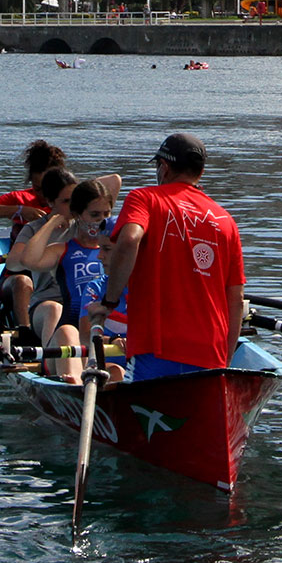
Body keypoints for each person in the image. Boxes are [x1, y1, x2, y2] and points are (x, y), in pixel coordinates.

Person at [83, 133, 244, 381]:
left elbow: (128, 240)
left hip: (156, 348)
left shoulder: (145, 199)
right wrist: (226, 361)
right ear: (200, 172)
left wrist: (109, 302)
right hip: (211, 353)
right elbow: (236, 299)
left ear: (164, 168)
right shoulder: (226, 221)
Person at [21, 175, 127, 383]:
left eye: (106, 214)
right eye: (94, 215)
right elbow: (29, 260)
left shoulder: (118, 251)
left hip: (105, 342)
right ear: (78, 215)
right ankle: (76, 387)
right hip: (68, 342)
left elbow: (115, 180)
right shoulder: (64, 250)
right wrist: (54, 221)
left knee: (115, 370)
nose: (101, 220)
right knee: (69, 331)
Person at [0, 140, 70, 334]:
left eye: (47, 188)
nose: (41, 195)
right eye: (37, 187)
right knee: (23, 282)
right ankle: (25, 331)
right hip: (18, 276)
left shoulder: (70, 203)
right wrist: (18, 210)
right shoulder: (21, 199)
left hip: (54, 278)